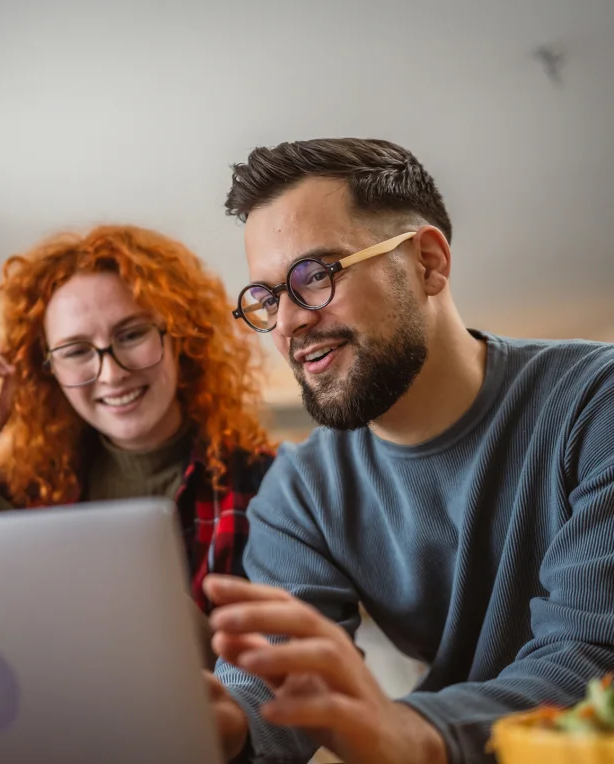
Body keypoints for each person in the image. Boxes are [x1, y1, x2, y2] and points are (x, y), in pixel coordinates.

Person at [201, 138, 614, 764]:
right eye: (267, 298)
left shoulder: (594, 402)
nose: (286, 324)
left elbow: (593, 656)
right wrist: (224, 722)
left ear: (427, 262)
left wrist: (413, 733)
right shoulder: (300, 489)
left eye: (315, 276)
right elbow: (274, 676)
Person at [0, 224, 275, 650]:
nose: (112, 372)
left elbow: (275, 678)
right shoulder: (18, 491)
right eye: (75, 351)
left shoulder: (266, 485)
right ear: (45, 368)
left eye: (132, 334)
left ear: (183, 335)